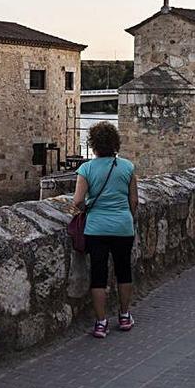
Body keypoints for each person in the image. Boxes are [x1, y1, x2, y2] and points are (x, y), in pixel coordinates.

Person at [71, 122, 139, 338]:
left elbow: (78, 200)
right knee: (123, 271)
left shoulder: (86, 169)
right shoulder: (127, 167)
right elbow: (134, 201)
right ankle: (125, 315)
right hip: (122, 226)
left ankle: (101, 323)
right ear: (115, 143)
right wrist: (127, 217)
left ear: (93, 145)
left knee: (98, 275)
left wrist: (88, 209)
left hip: (96, 228)